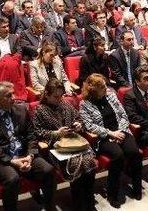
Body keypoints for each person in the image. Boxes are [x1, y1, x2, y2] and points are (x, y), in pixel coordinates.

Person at [0, 81, 56, 211]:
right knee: (12, 179)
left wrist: (30, 155)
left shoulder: (21, 110)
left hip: (25, 154)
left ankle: (50, 207)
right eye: (8, 96)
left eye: (13, 94)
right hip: (4, 160)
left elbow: (31, 135)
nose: (13, 98)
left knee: (48, 170)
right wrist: (13, 161)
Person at [32, 79, 97, 211]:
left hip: (73, 141)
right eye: (56, 96)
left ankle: (88, 200)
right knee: (75, 164)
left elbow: (78, 118)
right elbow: (37, 133)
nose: (59, 98)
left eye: (61, 95)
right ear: (47, 94)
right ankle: (79, 203)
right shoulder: (39, 110)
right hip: (55, 147)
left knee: (89, 162)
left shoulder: (65, 104)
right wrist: (56, 133)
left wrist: (79, 125)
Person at [79, 74, 142, 208]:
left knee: (134, 152)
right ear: (93, 89)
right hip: (103, 138)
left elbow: (123, 115)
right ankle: (112, 193)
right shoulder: (84, 104)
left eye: (105, 85)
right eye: (102, 87)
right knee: (118, 156)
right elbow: (89, 126)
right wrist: (110, 133)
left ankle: (137, 185)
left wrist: (120, 131)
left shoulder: (111, 96)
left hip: (121, 131)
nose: (106, 88)